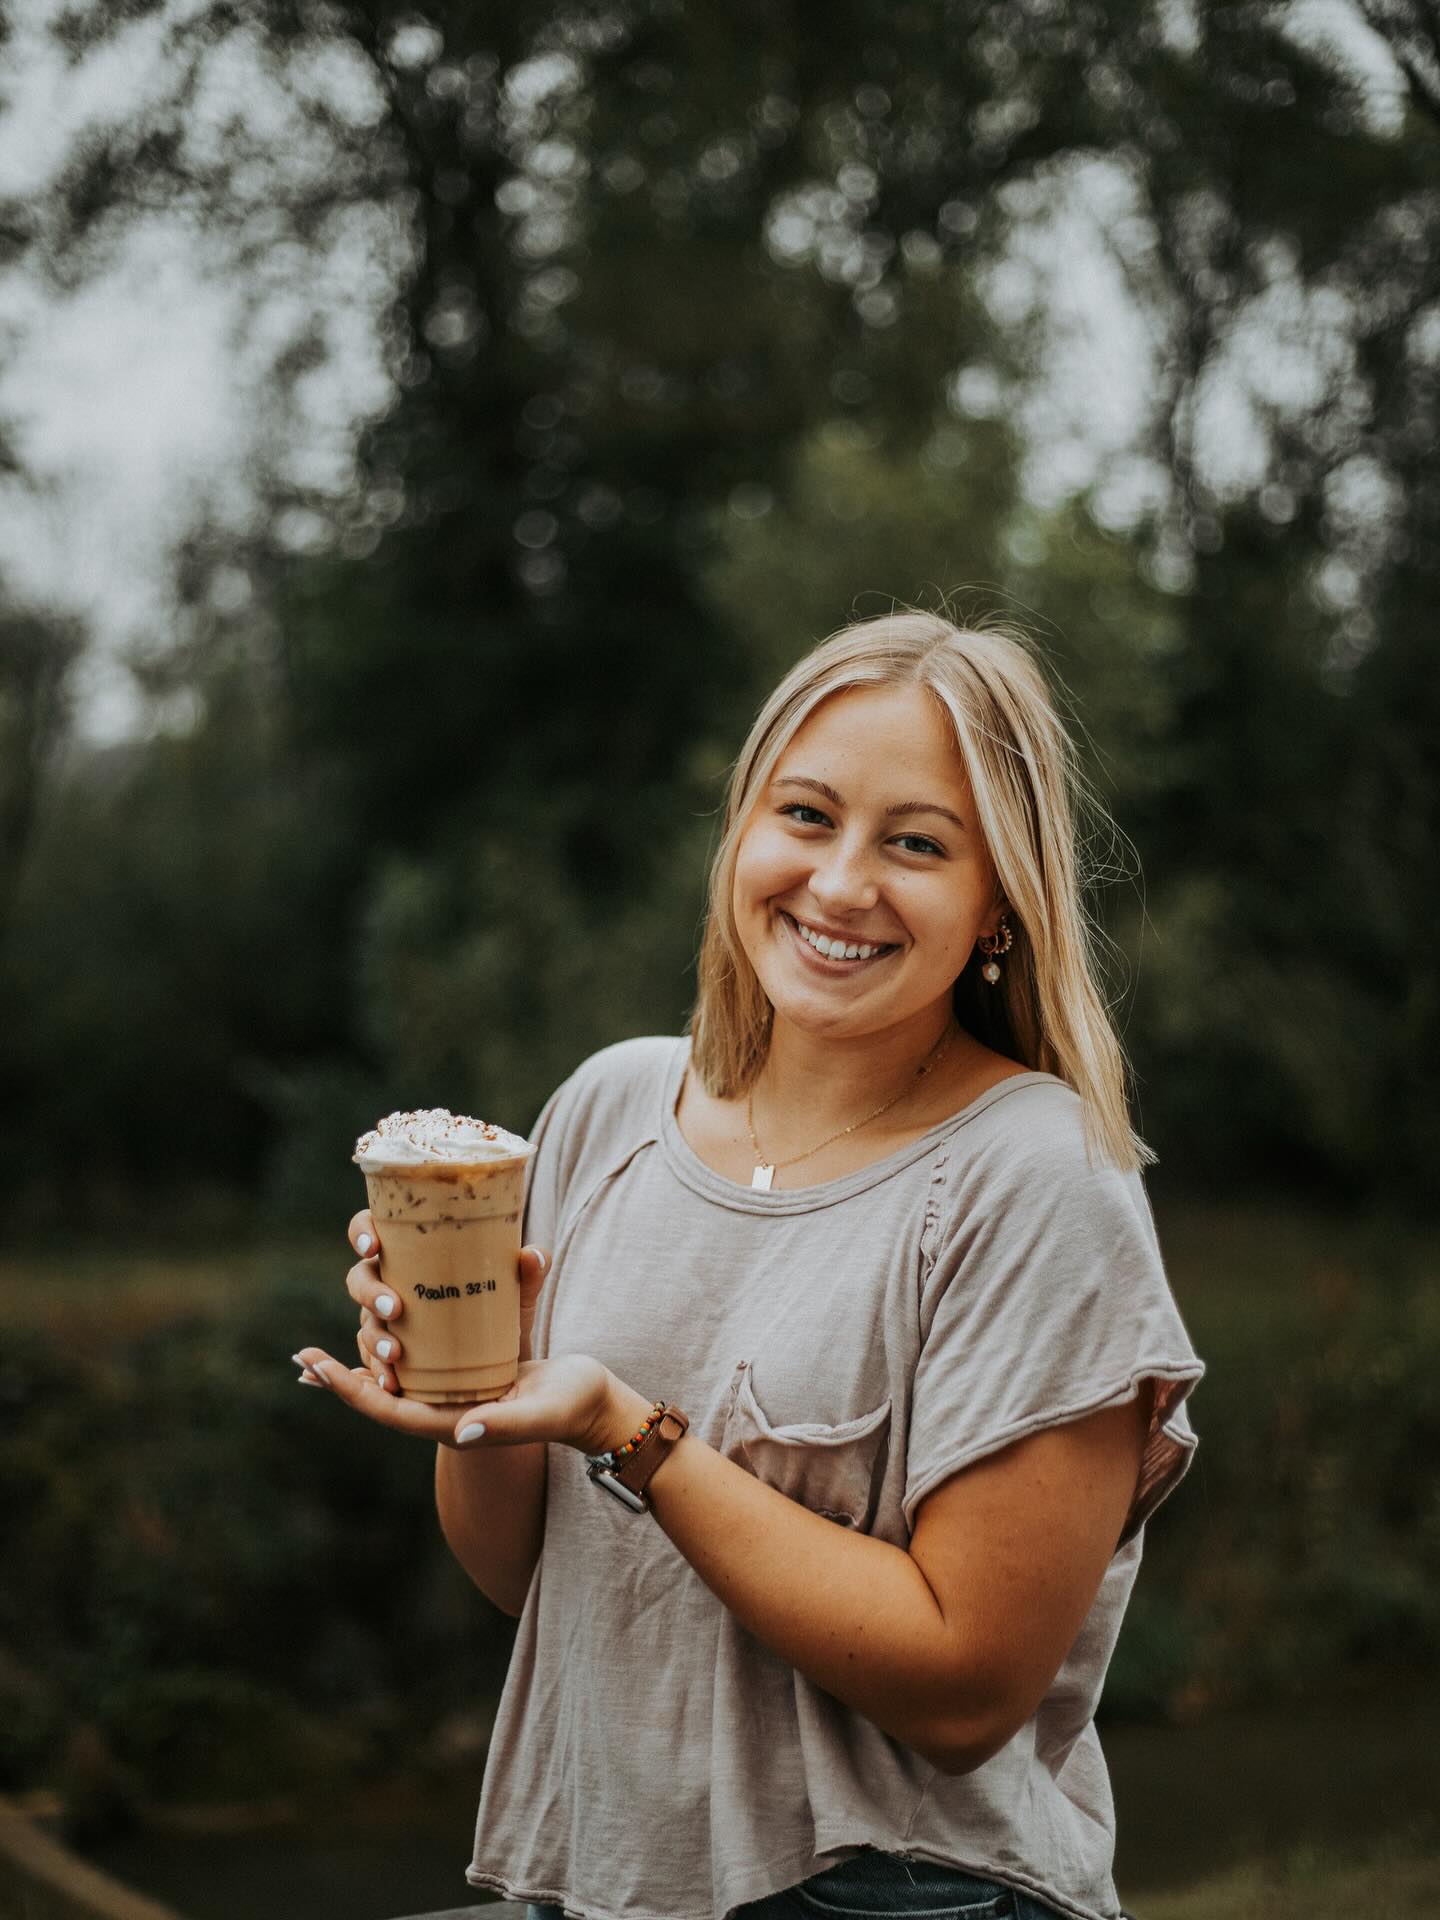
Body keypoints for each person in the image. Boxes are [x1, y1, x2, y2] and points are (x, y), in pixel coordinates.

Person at [297, 610, 1204, 1920]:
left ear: (999, 899)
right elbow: (519, 1576)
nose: (841, 884)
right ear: (741, 834)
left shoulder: (1038, 1177)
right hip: (606, 1880)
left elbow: (964, 1689)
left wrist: (628, 1429)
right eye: (806, 815)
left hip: (900, 1893)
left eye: (915, 843)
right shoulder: (611, 1109)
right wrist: (470, 1397)